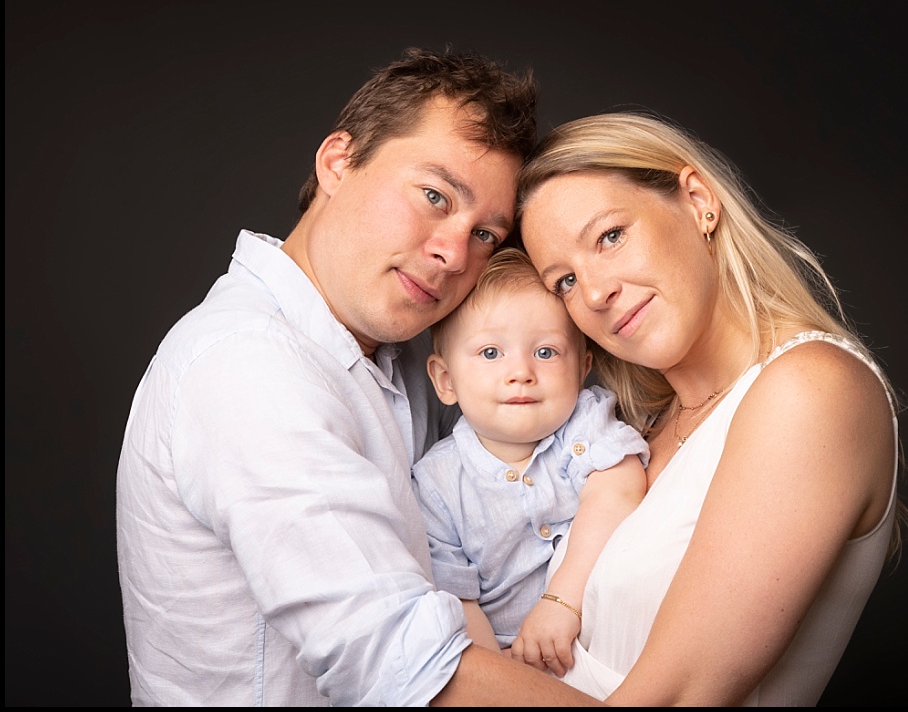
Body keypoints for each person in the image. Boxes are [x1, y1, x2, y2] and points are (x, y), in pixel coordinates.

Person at [115, 46, 604, 707]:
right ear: (337, 162)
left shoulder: (403, 357)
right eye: (434, 195)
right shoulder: (247, 365)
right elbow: (402, 662)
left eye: (486, 233)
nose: (454, 252)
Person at [514, 111, 908, 706]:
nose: (595, 292)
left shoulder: (812, 389)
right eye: (564, 281)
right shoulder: (633, 434)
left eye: (610, 236)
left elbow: (679, 696)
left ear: (698, 200)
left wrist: (427, 661)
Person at [411, 247, 648, 676]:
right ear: (446, 381)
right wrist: (505, 682)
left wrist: (562, 601)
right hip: (504, 659)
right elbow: (455, 599)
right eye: (490, 353)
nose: (520, 372)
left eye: (545, 353)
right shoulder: (437, 483)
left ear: (581, 370)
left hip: (599, 641)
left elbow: (621, 485)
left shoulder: (583, 424)